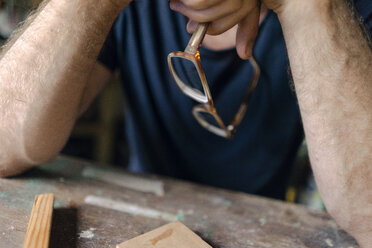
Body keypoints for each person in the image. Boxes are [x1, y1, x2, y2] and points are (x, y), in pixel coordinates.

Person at [0, 0, 371, 246]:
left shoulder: (346, 14)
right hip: (135, 212)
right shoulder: (131, 8)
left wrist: (304, 6)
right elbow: (4, 146)